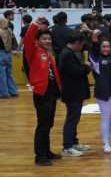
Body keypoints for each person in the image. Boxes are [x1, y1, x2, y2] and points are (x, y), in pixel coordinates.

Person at [25, 17, 62, 165]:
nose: (48, 41)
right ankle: (39, 156)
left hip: (51, 93)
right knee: (43, 125)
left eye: (49, 39)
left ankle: (46, 151)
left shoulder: (47, 53)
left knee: (48, 124)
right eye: (44, 39)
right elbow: (28, 39)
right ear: (37, 41)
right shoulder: (33, 51)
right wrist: (35, 25)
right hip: (42, 94)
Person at [58, 31, 92, 157]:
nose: (82, 47)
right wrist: (86, 66)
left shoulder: (68, 53)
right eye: (81, 44)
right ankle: (67, 146)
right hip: (72, 92)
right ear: (77, 42)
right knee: (72, 119)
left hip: (74, 91)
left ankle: (73, 141)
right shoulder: (67, 54)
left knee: (74, 118)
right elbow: (76, 72)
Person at [0, 17, 18, 98]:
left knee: (2, 75)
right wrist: (10, 49)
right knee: (9, 74)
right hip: (9, 55)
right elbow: (16, 44)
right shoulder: (10, 31)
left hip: (0, 54)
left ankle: (4, 93)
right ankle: (13, 91)